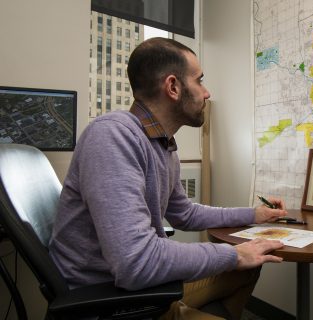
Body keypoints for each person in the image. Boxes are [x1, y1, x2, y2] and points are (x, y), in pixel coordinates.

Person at [49, 37, 288, 320]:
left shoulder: (163, 145)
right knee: (240, 259)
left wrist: (254, 214)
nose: (207, 92)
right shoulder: (112, 137)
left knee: (251, 264)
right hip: (109, 300)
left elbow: (185, 214)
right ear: (173, 87)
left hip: (143, 290)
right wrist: (233, 255)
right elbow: (136, 263)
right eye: (199, 80)